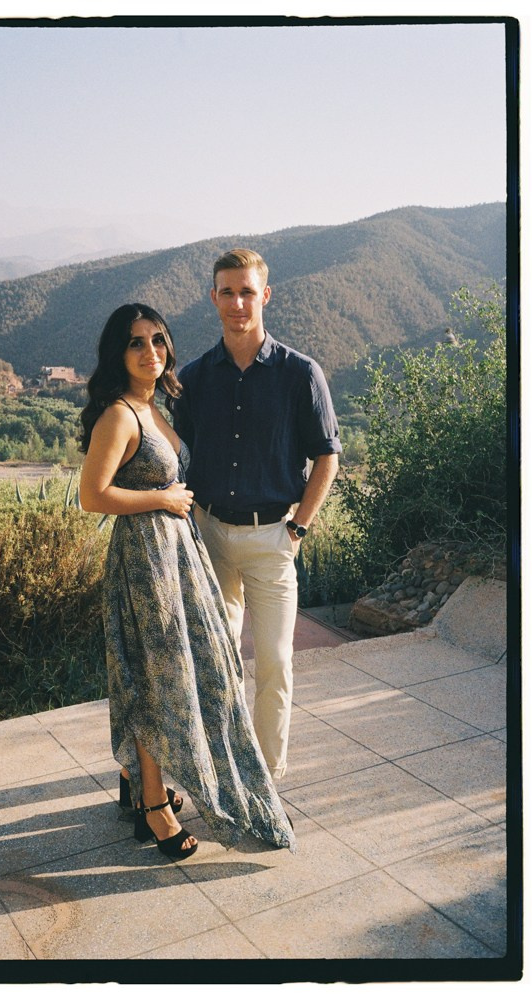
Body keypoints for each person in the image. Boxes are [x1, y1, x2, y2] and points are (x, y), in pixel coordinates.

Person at [78, 302, 295, 860]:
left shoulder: (154, 408)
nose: (150, 351)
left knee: (182, 674)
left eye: (157, 340)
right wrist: (164, 498)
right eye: (135, 343)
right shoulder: (120, 415)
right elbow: (92, 496)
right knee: (159, 680)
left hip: (177, 556)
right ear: (116, 354)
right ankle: (154, 807)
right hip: (146, 562)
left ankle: (148, 788)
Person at [172, 249, 341, 783]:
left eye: (247, 291)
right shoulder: (194, 379)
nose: (238, 302)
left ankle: (267, 776)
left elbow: (327, 457)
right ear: (213, 298)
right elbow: (180, 458)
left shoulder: (300, 374)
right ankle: (221, 768)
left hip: (273, 537)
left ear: (265, 295)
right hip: (211, 536)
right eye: (227, 291)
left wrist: (299, 528)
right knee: (215, 663)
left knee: (274, 664)